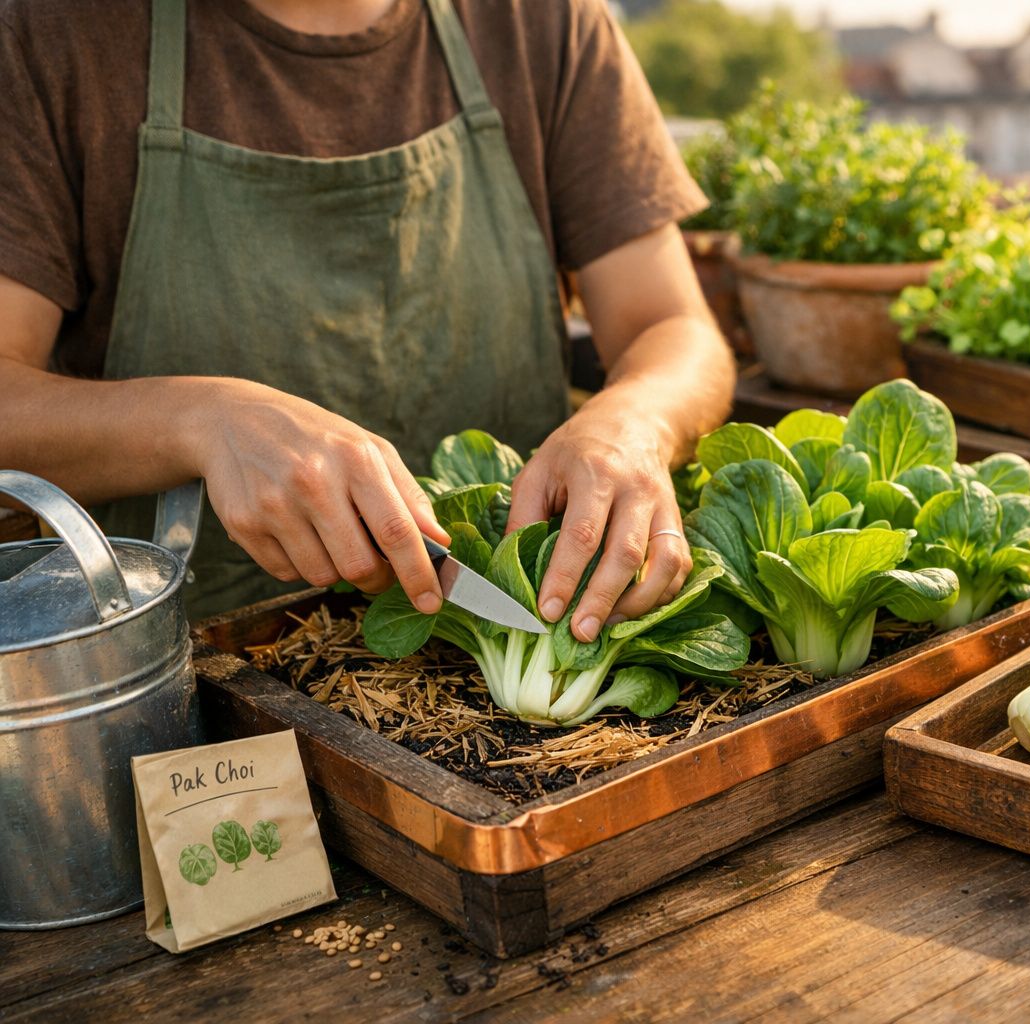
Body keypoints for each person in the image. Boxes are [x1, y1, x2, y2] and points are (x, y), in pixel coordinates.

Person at [0, 0, 734, 639]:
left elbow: (673, 327)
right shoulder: (52, 33)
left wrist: (635, 422)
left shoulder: (543, 19)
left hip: (505, 663)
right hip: (191, 693)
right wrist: (200, 419)